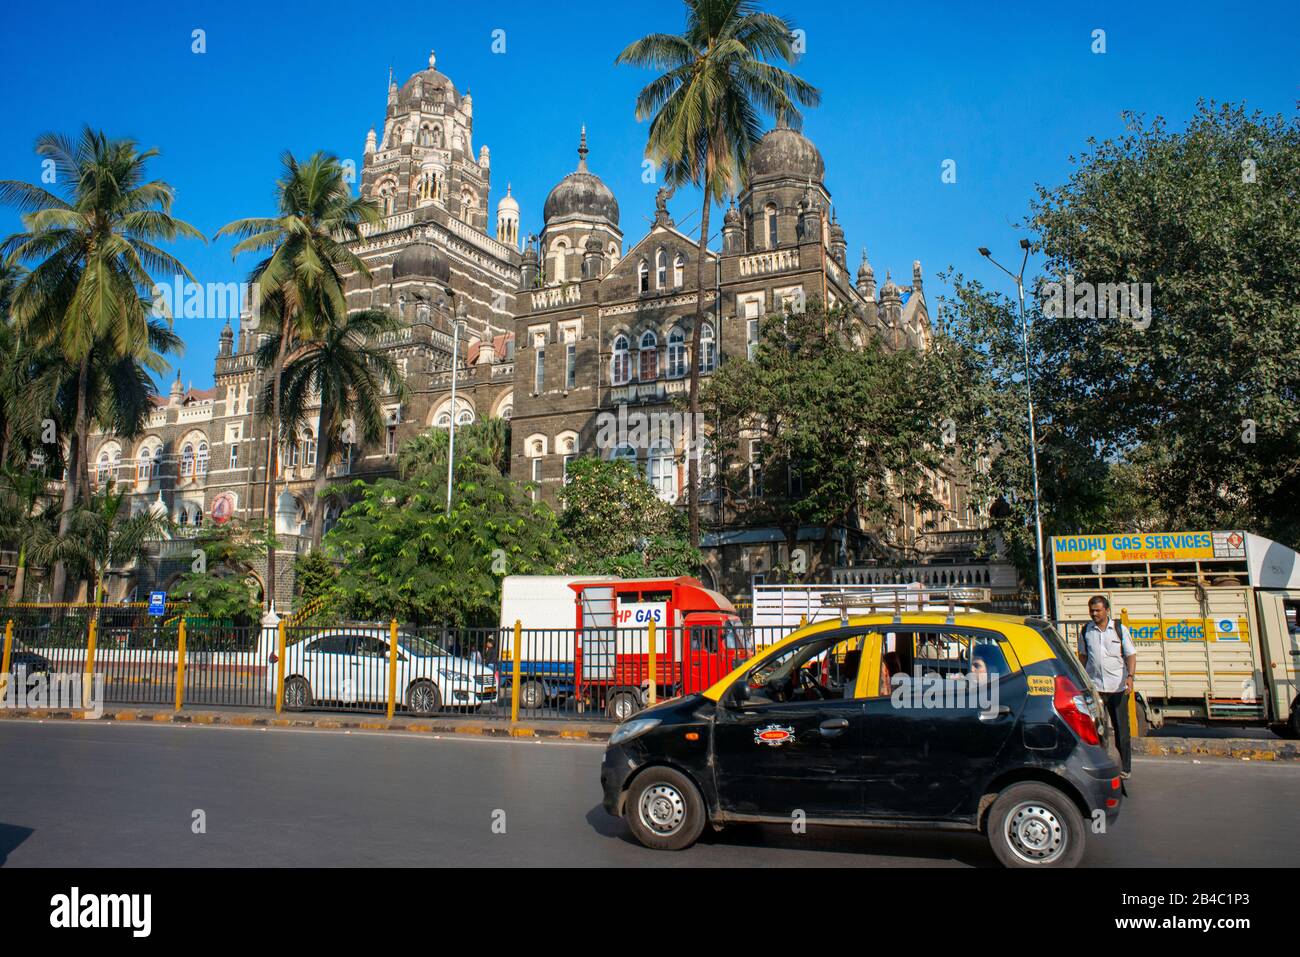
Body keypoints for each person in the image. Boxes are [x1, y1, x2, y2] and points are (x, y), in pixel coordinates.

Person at [1078, 595, 1137, 778]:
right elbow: (1083, 656)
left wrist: (1130, 677)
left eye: (1097, 610)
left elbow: (1130, 655)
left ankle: (1125, 769)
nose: (1094, 614)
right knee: (1097, 729)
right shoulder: (1086, 631)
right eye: (1092, 610)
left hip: (1117, 687)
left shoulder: (1119, 630)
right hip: (1096, 689)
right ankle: (1101, 765)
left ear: (1107, 610)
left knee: (1121, 730)